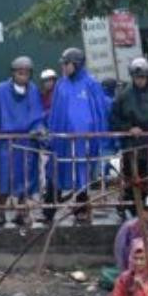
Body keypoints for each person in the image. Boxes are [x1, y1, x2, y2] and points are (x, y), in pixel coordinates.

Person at [0, 56, 47, 227]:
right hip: (4, 142)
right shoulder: (1, 90)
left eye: (26, 73)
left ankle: (22, 211)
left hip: (26, 142)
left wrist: (39, 128)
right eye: (19, 72)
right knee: (2, 177)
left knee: (26, 178)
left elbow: (38, 116)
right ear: (13, 73)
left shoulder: (33, 91)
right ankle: (0, 211)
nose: (23, 76)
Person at [46, 47, 109, 223]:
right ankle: (48, 210)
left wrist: (98, 136)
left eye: (67, 64)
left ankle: (81, 208)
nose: (64, 67)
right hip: (62, 138)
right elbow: (55, 111)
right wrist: (52, 134)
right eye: (63, 64)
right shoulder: (61, 84)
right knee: (56, 170)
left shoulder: (91, 83)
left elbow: (99, 111)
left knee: (83, 174)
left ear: (77, 64)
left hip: (84, 141)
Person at [111, 58, 148, 218]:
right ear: (132, 77)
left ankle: (146, 207)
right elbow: (114, 119)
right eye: (137, 77)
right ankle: (130, 207)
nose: (140, 80)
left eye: (143, 77)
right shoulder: (123, 96)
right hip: (132, 146)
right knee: (132, 179)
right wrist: (128, 128)